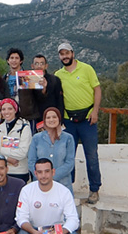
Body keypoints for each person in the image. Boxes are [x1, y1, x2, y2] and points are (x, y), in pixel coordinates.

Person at [15, 158, 81, 234]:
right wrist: (34, 232)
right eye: (40, 172)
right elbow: (21, 218)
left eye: (47, 171)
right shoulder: (26, 190)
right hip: (34, 229)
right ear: (35, 173)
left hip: (57, 230)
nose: (43, 175)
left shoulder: (64, 191)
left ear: (53, 172)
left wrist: (59, 233)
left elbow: (73, 219)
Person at [55, 42, 102, 204]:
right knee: (68, 155)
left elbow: (97, 89)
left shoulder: (87, 69)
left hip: (88, 118)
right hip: (69, 120)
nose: (65, 56)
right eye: (61, 54)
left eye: (67, 53)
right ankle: (68, 188)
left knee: (91, 155)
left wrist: (95, 111)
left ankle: (94, 189)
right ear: (59, 56)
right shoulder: (58, 74)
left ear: (73, 53)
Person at [28, 107, 76, 194]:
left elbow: (70, 162)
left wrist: (52, 176)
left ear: (59, 119)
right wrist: (42, 176)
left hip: (63, 185)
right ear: (44, 120)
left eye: (54, 117)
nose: (51, 120)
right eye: (48, 117)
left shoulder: (68, 138)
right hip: (40, 185)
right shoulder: (36, 138)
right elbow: (31, 161)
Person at [0, 98, 33, 183]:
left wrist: (1, 149)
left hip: (20, 172)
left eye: (10, 109)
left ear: (15, 110)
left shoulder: (24, 127)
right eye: (3, 109)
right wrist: (7, 159)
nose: (6, 112)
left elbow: (22, 153)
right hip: (2, 173)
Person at [4, 48, 39, 128]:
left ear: (21, 61)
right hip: (10, 115)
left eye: (17, 58)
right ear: (8, 61)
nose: (14, 60)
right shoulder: (4, 78)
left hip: (27, 116)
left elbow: (38, 95)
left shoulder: (29, 76)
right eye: (12, 58)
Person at [31, 54, 64, 120]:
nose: (39, 66)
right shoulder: (28, 80)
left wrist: (60, 119)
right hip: (35, 117)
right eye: (36, 64)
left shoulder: (54, 80)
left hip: (51, 117)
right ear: (32, 66)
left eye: (42, 64)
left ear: (46, 66)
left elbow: (60, 101)